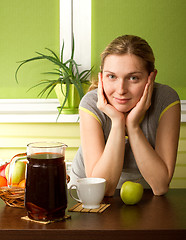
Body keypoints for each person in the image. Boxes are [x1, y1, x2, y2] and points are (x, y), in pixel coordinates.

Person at [69, 35, 181, 196]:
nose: (121, 89)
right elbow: (103, 190)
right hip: (86, 195)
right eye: (112, 76)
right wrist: (117, 122)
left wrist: (133, 126)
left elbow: (160, 186)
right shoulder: (91, 103)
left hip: (143, 195)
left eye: (133, 78)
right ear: (101, 77)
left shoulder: (166, 100)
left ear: (151, 77)